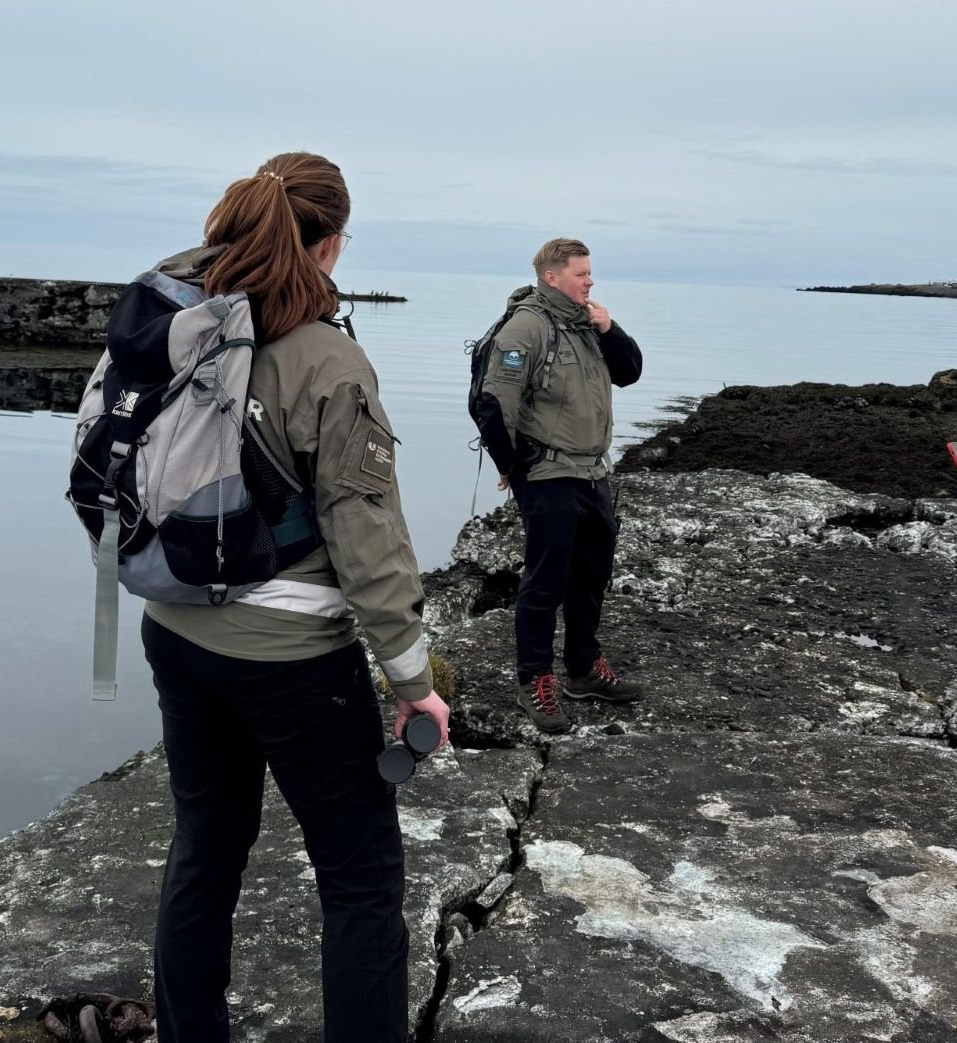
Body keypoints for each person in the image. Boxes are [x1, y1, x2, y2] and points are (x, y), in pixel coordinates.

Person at [134, 152, 449, 1043]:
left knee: (205, 850)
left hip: (176, 626)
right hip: (294, 662)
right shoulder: (328, 360)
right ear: (332, 245)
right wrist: (412, 677)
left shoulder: (174, 324)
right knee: (358, 880)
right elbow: (368, 538)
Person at [473, 238, 645, 733]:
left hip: (593, 473)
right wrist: (512, 466)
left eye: (590, 273)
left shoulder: (585, 322)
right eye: (581, 273)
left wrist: (610, 329)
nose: (590, 281)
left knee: (592, 576)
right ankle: (535, 680)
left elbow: (630, 373)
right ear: (552, 277)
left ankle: (584, 671)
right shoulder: (527, 326)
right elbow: (494, 404)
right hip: (549, 476)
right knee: (545, 581)